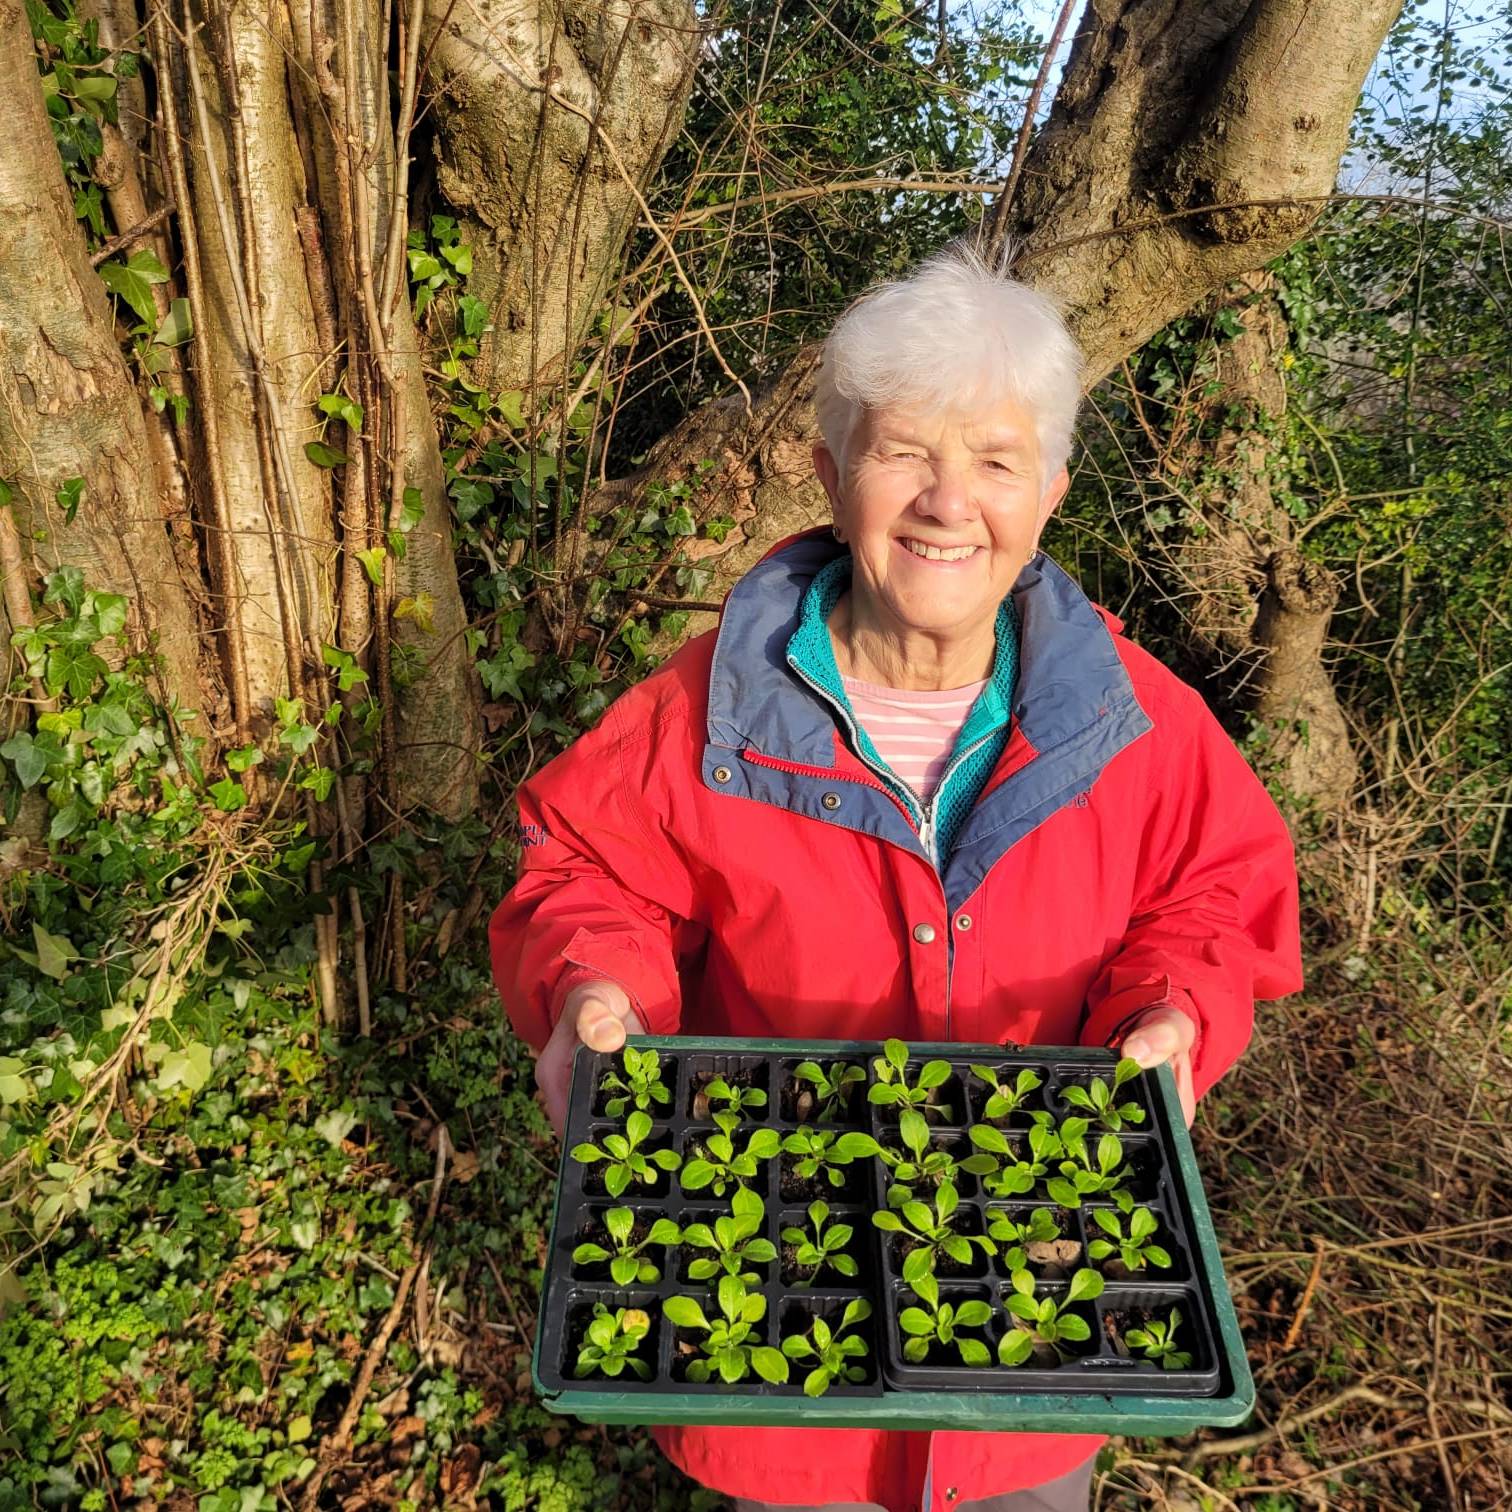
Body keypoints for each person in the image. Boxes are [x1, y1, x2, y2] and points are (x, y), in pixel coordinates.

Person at [490, 241, 1303, 1512]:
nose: (947, 500)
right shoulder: (706, 709)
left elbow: (1212, 897)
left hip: (1034, 1327)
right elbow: (590, 871)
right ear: (829, 475)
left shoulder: (1138, 722)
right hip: (769, 1325)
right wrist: (593, 986)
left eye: (994, 460)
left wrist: (1174, 1010)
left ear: (1050, 494)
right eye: (905, 452)